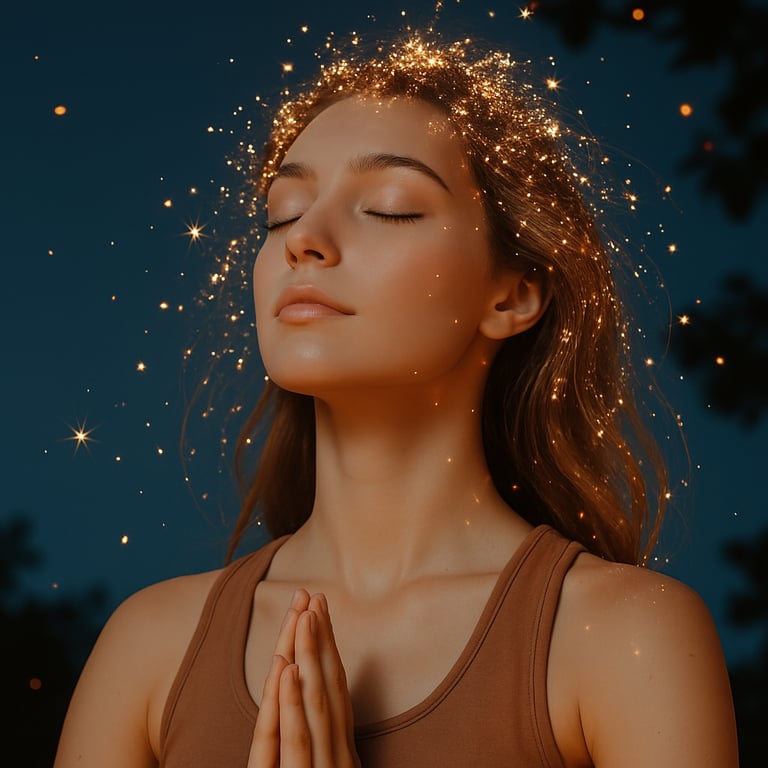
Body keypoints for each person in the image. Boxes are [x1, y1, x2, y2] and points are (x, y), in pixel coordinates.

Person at [54, 34, 738, 768]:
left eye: (388, 208)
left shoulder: (625, 639)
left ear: (513, 294)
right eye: (280, 214)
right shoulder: (148, 646)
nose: (304, 241)